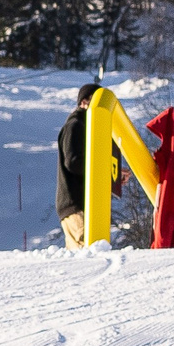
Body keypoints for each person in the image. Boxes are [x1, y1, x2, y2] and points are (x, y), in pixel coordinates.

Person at [54, 82, 131, 248]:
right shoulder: (75, 125)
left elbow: (90, 163)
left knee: (81, 256)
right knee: (89, 251)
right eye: (97, 102)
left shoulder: (89, 127)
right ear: (84, 102)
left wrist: (112, 176)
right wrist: (103, 170)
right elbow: (73, 162)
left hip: (81, 204)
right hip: (76, 203)